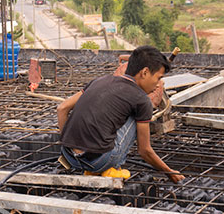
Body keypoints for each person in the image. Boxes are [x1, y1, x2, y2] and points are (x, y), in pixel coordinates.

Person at [57, 46, 185, 182]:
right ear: (145, 72)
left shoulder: (99, 80)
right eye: (158, 78)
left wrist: (69, 143)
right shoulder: (141, 99)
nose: (158, 84)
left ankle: (89, 164)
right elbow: (144, 150)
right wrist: (170, 172)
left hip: (70, 158)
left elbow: (62, 108)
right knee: (138, 115)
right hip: (100, 162)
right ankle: (111, 168)